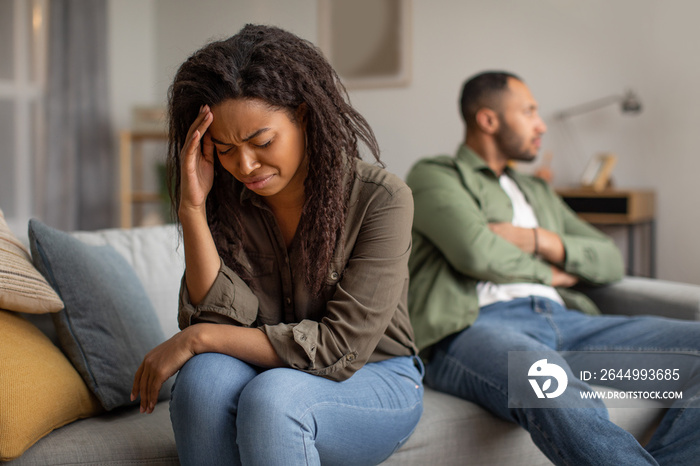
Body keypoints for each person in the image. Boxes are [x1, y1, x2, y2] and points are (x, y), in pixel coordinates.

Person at [130, 24, 423, 466]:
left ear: (304, 117)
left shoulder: (380, 199)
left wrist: (196, 338)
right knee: (201, 384)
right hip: (271, 369)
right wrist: (192, 209)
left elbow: (337, 348)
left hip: (375, 374)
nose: (245, 165)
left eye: (262, 141)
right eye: (225, 149)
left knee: (273, 399)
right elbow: (218, 317)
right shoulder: (224, 196)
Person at [406, 70, 700, 465]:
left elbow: (609, 258)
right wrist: (548, 271)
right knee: (547, 379)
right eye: (529, 111)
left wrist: (537, 239)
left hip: (570, 329)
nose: (541, 124)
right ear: (489, 120)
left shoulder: (537, 191)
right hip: (477, 327)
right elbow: (476, 253)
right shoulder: (435, 176)